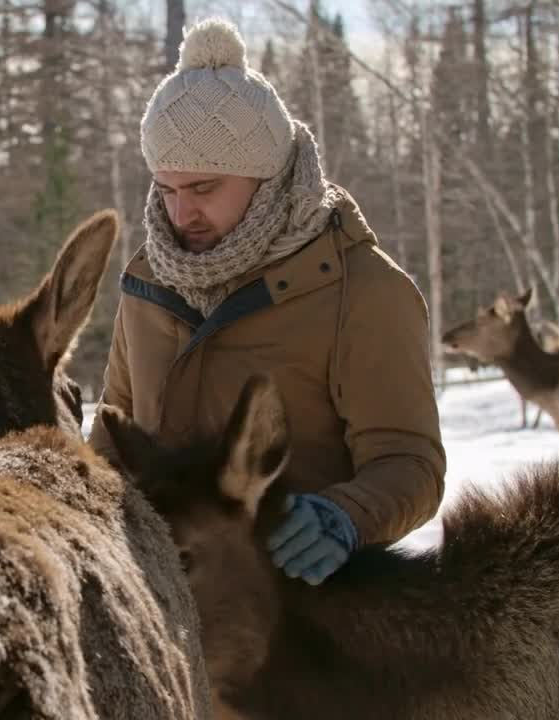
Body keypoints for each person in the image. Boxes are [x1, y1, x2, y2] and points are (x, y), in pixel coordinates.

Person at [88, 19, 445, 585]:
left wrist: (344, 517)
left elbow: (410, 464)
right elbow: (113, 436)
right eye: (167, 188)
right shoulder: (147, 280)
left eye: (204, 188)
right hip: (163, 602)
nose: (181, 216)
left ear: (268, 176)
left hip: (303, 617)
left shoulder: (364, 291)